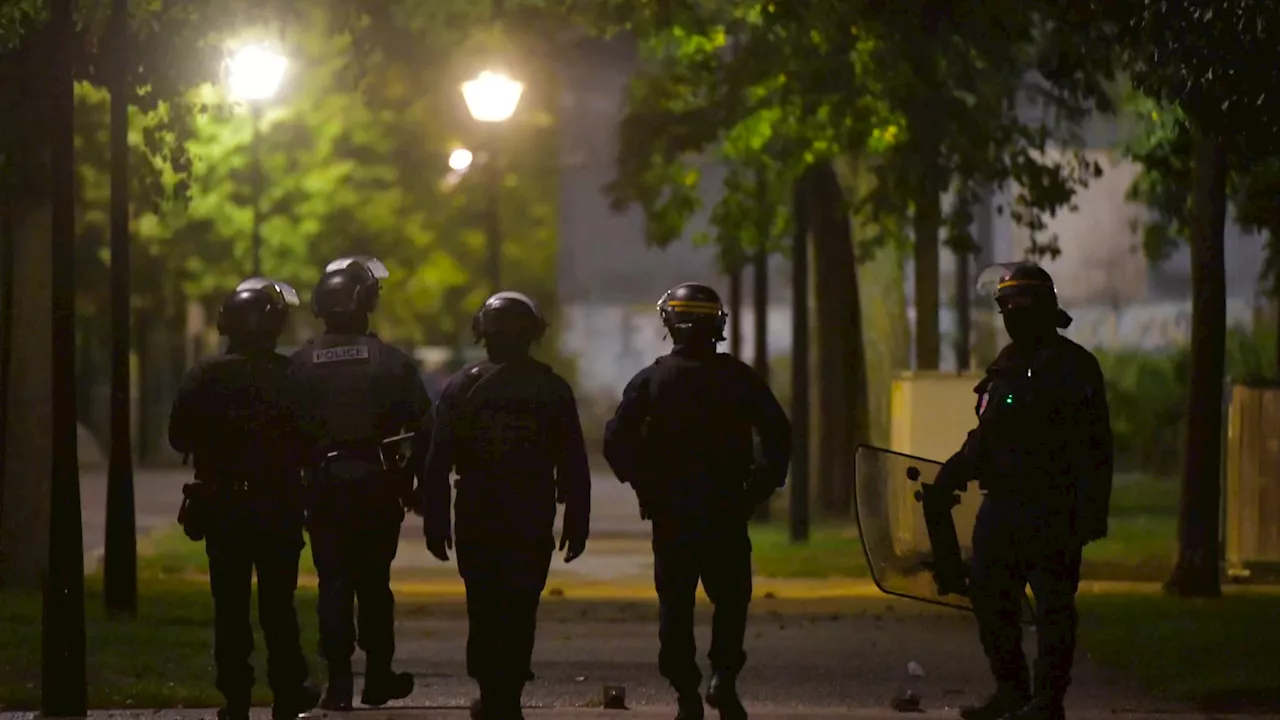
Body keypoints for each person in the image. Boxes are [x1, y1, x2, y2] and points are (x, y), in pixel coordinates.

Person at [603, 282, 792, 720]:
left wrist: (644, 487)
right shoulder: (739, 377)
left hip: (671, 515)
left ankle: (685, 691)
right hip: (728, 510)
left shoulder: (650, 380)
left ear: (669, 323)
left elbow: (616, 441)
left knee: (676, 603)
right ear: (717, 325)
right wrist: (760, 488)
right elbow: (778, 432)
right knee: (730, 599)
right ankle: (723, 679)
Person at [934, 262, 1113, 720]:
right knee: (991, 598)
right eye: (1006, 305)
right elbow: (987, 433)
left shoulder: (1074, 367)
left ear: (1042, 307)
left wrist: (1090, 512)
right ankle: (1012, 689)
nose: (1012, 313)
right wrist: (954, 472)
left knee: (1053, 608)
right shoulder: (1006, 366)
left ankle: (1047, 701)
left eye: (1019, 303)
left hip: (1053, 508)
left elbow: (1097, 447)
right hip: (1003, 506)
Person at [420, 291, 591, 720]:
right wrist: (577, 518)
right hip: (531, 511)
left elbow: (438, 459)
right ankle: (509, 690)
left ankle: (490, 686)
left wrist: (435, 518)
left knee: (482, 600)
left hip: (477, 510)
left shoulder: (462, 386)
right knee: (520, 603)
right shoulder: (552, 388)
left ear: (483, 332)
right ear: (534, 333)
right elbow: (573, 460)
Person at [168, 277, 321, 720]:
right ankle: (289, 692)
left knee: (229, 605)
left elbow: (177, 437)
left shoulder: (204, 376)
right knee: (278, 603)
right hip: (278, 506)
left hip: (223, 507)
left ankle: (235, 698)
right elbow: (312, 438)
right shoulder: (292, 376)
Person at [289, 256, 433, 710]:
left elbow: (282, 428)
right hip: (376, 483)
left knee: (333, 579)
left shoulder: (300, 365)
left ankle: (338, 684)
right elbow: (426, 425)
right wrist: (415, 480)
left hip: (323, 486)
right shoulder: (390, 361)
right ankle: (377, 675)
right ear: (363, 304)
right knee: (374, 580)